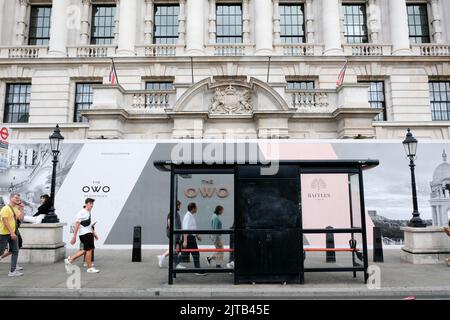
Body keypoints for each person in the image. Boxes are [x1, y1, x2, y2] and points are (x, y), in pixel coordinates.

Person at [64, 198, 100, 274]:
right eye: (90, 203)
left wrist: (94, 234)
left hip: (88, 233)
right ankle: (90, 268)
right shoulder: (82, 212)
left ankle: (70, 259)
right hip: (85, 234)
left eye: (92, 204)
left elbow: (89, 225)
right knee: (89, 250)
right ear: (86, 204)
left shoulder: (88, 212)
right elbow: (77, 224)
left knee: (85, 250)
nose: (92, 205)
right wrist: (74, 237)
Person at [0, 193, 23, 277]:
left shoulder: (15, 209)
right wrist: (12, 233)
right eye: (16, 198)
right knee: (1, 251)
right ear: (11, 198)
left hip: (13, 233)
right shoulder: (5, 208)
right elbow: (5, 221)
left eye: (18, 198)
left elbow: (21, 219)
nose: (18, 199)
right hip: (4, 233)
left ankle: (12, 271)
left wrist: (21, 208)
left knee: (15, 250)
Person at [157, 200, 185, 269]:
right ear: (176, 205)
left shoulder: (176, 213)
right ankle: (175, 264)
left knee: (175, 248)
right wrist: (174, 232)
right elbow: (169, 223)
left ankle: (163, 257)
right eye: (179, 205)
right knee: (175, 248)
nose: (180, 207)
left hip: (176, 234)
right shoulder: (172, 213)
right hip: (174, 234)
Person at [182, 202, 206, 276]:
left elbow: (193, 227)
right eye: (196, 207)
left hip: (191, 237)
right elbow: (185, 229)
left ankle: (174, 263)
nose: (197, 209)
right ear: (193, 208)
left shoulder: (191, 216)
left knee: (185, 254)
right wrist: (185, 241)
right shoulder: (188, 216)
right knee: (195, 253)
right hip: (189, 238)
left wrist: (197, 236)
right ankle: (197, 270)